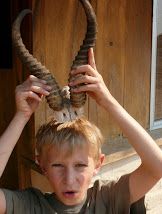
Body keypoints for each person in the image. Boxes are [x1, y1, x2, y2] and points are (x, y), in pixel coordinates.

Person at [0, 48, 162, 213]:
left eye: (80, 165)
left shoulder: (107, 199)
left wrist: (108, 101)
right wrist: (21, 116)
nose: (69, 180)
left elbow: (157, 166)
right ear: (42, 166)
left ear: (98, 163)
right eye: (57, 165)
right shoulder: (30, 206)